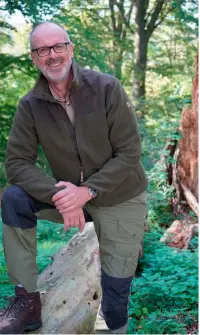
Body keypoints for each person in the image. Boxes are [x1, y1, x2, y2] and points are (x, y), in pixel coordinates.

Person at [0, 21, 148, 334]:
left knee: (116, 289)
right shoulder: (30, 105)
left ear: (70, 49)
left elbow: (129, 153)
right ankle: (27, 303)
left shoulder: (106, 88)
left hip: (121, 194)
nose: (51, 55)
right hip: (70, 198)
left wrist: (86, 191)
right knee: (14, 199)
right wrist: (62, 195)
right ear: (34, 57)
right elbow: (16, 163)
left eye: (57, 46)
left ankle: (112, 328)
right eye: (42, 50)